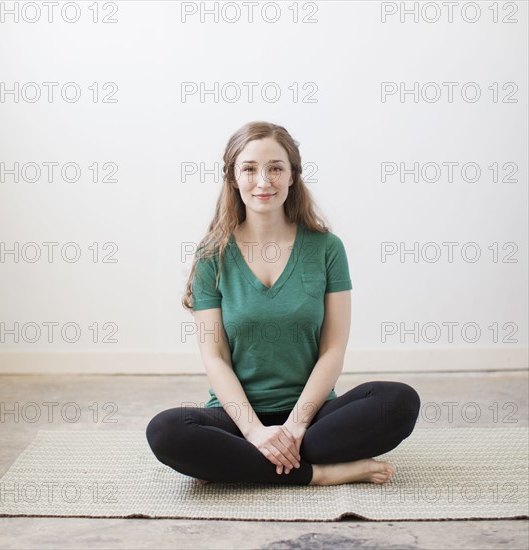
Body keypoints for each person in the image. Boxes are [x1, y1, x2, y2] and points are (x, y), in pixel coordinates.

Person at [146, 121, 421, 486]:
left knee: (399, 401)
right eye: (249, 169)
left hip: (313, 417)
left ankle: (246, 465)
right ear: (233, 177)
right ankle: (316, 473)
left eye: (276, 168)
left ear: (293, 176)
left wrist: (294, 426)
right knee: (166, 431)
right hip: (237, 418)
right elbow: (215, 359)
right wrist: (255, 432)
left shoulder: (326, 249)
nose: (264, 181)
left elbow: (333, 350)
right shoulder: (212, 255)